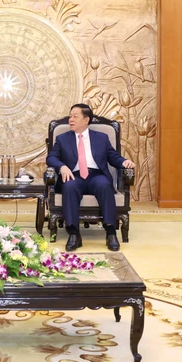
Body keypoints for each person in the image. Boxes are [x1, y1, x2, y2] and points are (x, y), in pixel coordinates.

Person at [46, 103, 136, 252]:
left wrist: (124, 162)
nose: (71, 119)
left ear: (86, 119)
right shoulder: (63, 139)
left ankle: (111, 232)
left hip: (96, 175)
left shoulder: (101, 137)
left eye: (75, 116)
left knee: (104, 184)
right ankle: (74, 234)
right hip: (73, 175)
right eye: (70, 116)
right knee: (69, 186)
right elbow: (51, 158)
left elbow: (113, 157)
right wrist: (62, 167)